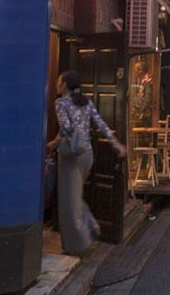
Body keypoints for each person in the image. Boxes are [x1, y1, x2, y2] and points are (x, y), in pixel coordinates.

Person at [46, 70, 126, 254]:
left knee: (69, 202)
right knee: (74, 194)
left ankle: (79, 245)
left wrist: (56, 143)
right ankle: (90, 223)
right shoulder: (85, 102)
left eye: (59, 81)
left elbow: (66, 127)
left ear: (65, 85)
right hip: (87, 154)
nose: (57, 84)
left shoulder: (60, 103)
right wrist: (116, 144)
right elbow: (101, 125)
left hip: (70, 156)